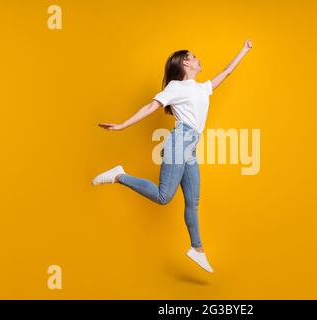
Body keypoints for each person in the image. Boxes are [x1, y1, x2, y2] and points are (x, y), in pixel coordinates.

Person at [92, 39, 253, 273]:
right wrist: (123, 125)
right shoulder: (175, 88)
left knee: (193, 201)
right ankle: (119, 176)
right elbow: (151, 107)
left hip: (190, 146)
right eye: (194, 56)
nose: (199, 59)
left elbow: (226, 72)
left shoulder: (202, 87)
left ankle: (197, 249)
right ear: (186, 62)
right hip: (180, 141)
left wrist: (244, 50)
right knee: (164, 196)